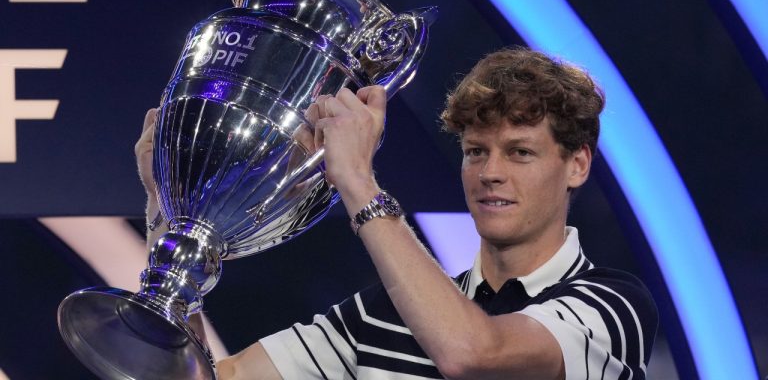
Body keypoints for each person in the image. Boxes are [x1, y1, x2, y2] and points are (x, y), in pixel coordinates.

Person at [136, 46, 658, 379]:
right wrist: (169, 211)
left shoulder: (613, 306)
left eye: (520, 152)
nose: (490, 173)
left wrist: (358, 183)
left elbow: (473, 354)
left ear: (577, 164)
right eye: (476, 151)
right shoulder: (381, 313)